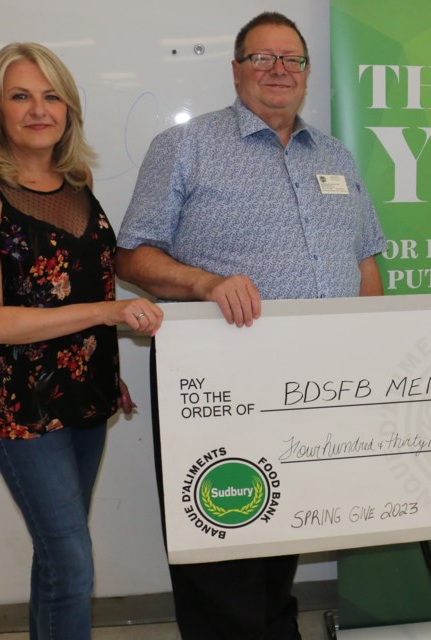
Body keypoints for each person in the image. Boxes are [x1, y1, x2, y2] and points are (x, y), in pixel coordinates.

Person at [115, 11, 386, 640]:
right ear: (236, 70)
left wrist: (374, 345)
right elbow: (132, 254)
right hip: (221, 380)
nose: (278, 70)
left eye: (291, 59)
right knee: (224, 533)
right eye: (262, 58)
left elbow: (364, 259)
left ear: (308, 74)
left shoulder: (337, 156)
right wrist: (206, 284)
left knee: (284, 531)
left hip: (317, 382)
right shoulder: (186, 146)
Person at [0, 42, 163, 640]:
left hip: (85, 391)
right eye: (20, 96)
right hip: (19, 402)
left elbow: (85, 272)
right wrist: (108, 311)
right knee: (70, 558)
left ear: (69, 108)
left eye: (51, 96)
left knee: (57, 554)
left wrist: (108, 351)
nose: (38, 109)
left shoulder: (77, 180)